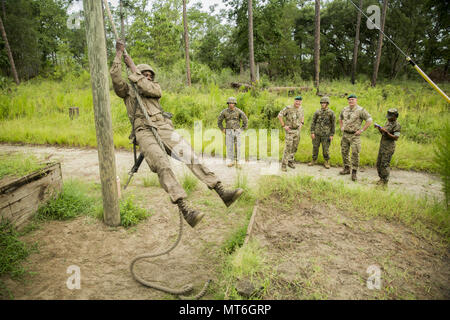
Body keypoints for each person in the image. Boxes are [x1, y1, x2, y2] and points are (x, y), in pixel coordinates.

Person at [110, 40, 243, 228]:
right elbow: (115, 78)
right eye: (144, 74)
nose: (147, 77)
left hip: (163, 126)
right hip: (143, 130)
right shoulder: (128, 91)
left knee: (190, 155)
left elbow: (147, 88)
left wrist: (133, 68)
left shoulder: (154, 88)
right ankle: (186, 209)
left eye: (149, 75)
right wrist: (118, 54)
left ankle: (222, 192)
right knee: (162, 164)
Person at [339, 94, 373, 181]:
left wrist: (362, 130)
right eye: (349, 100)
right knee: (344, 151)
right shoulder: (345, 109)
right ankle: (346, 168)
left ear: (356, 100)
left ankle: (354, 172)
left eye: (352, 99)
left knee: (355, 153)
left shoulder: (360, 110)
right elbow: (340, 118)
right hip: (345, 134)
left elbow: (369, 120)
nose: (350, 101)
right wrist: (341, 127)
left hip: (355, 135)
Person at [217, 97, 248, 168]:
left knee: (237, 147)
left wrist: (242, 129)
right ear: (228, 104)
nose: (231, 104)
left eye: (232, 103)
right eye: (230, 103)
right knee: (229, 146)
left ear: (235, 104)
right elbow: (219, 122)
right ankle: (231, 161)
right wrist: (222, 129)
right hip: (228, 131)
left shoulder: (239, 111)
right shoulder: (224, 112)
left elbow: (245, 120)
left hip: (237, 131)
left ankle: (237, 162)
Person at [375, 108, 401, 186]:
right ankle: (381, 179)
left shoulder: (397, 125)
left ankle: (385, 182)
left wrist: (386, 132)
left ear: (395, 116)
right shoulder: (388, 122)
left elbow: (396, 138)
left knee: (385, 164)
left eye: (390, 116)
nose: (388, 118)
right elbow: (383, 134)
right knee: (378, 163)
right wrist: (380, 129)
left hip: (389, 147)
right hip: (382, 146)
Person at [278, 96, 305, 172]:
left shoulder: (301, 108)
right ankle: (284, 165)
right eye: (296, 101)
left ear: (301, 102)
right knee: (288, 148)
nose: (298, 103)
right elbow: (279, 115)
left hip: (297, 131)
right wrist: (284, 126)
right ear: (294, 101)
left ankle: (290, 162)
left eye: (299, 101)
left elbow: (302, 116)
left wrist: (301, 124)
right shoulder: (288, 108)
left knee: (294, 147)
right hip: (290, 131)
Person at [308, 96, 336, 169]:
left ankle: (326, 161)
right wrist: (312, 132)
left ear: (327, 104)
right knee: (315, 147)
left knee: (325, 149)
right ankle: (314, 160)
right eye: (322, 103)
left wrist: (332, 134)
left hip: (326, 134)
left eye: (325, 103)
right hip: (317, 134)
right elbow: (313, 122)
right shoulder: (317, 112)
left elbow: (333, 124)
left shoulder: (331, 113)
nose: (323, 104)